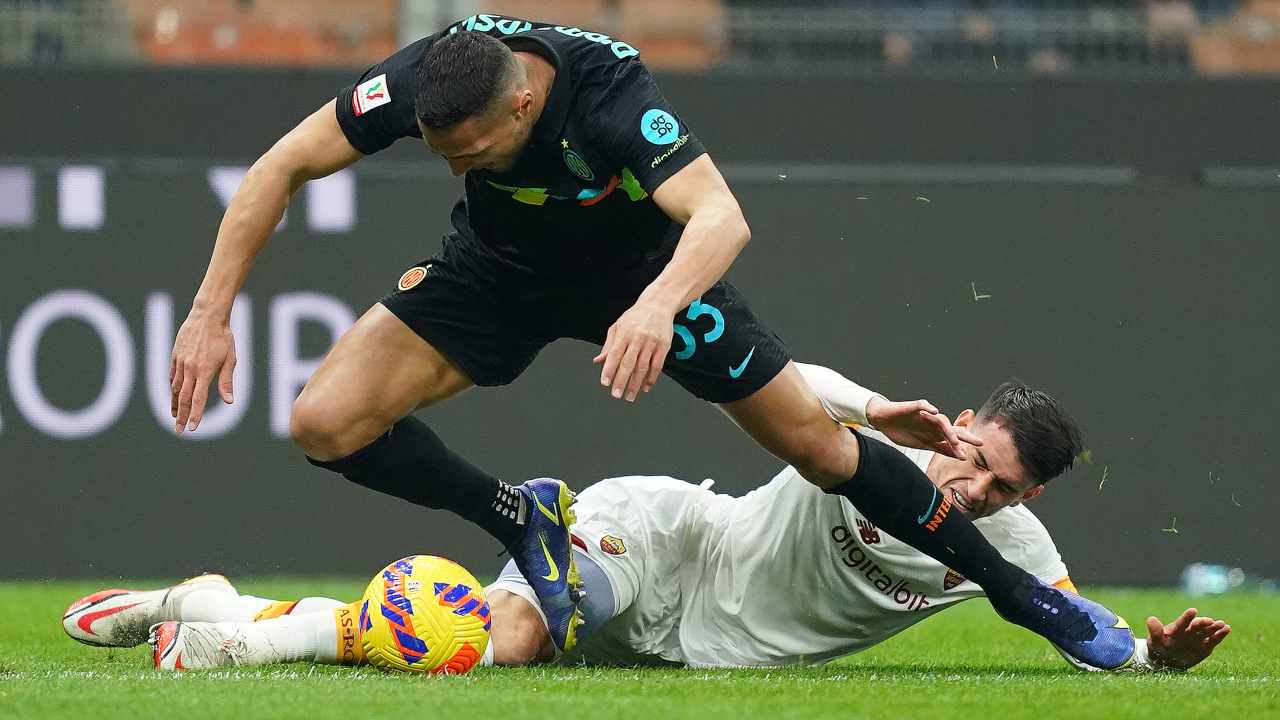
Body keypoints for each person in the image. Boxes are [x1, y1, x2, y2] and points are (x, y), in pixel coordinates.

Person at [165, 12, 1124, 660]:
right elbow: (278, 166)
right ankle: (517, 516)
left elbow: (720, 218)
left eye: (470, 150)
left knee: (819, 446)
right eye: (439, 148)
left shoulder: (610, 91)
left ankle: (1014, 593)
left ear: (526, 105)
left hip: (645, 278)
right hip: (499, 273)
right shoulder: (427, 76)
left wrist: (659, 303)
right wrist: (210, 312)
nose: (451, 161)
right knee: (323, 423)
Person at [67, 366, 1224, 671]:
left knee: (469, 644)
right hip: (664, 538)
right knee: (500, 640)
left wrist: (1151, 661)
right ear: (958, 423)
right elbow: (788, 383)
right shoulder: (878, 436)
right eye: (971, 458)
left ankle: (215, 606)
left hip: (695, 647)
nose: (969, 493)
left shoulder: (1002, 548)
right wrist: (877, 411)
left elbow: (1075, 626)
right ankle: (242, 641)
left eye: (999, 490)